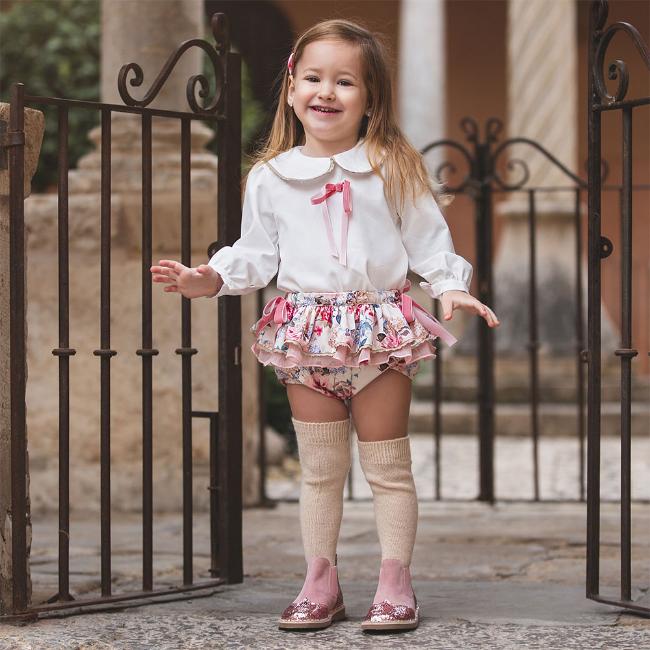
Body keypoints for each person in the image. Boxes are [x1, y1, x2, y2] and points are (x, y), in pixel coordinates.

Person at [151, 18, 499, 633]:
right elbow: (255, 254)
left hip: (377, 334)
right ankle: (320, 579)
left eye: (345, 81)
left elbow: (428, 241)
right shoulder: (271, 177)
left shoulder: (393, 167)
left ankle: (395, 582)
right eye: (313, 77)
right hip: (304, 334)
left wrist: (449, 288)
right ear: (290, 89)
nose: (327, 92)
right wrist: (210, 278)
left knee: (387, 466)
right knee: (320, 469)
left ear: (370, 99)